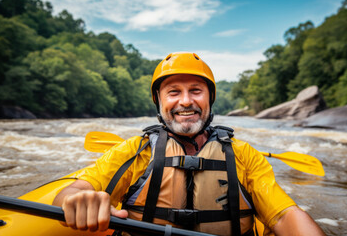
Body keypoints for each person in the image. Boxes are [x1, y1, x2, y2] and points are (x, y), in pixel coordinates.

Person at [53, 52, 325, 236]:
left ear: (209, 99)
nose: (185, 101)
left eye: (196, 90)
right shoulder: (135, 151)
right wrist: (76, 200)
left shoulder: (244, 156)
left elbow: (285, 216)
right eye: (173, 92)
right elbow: (76, 188)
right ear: (159, 102)